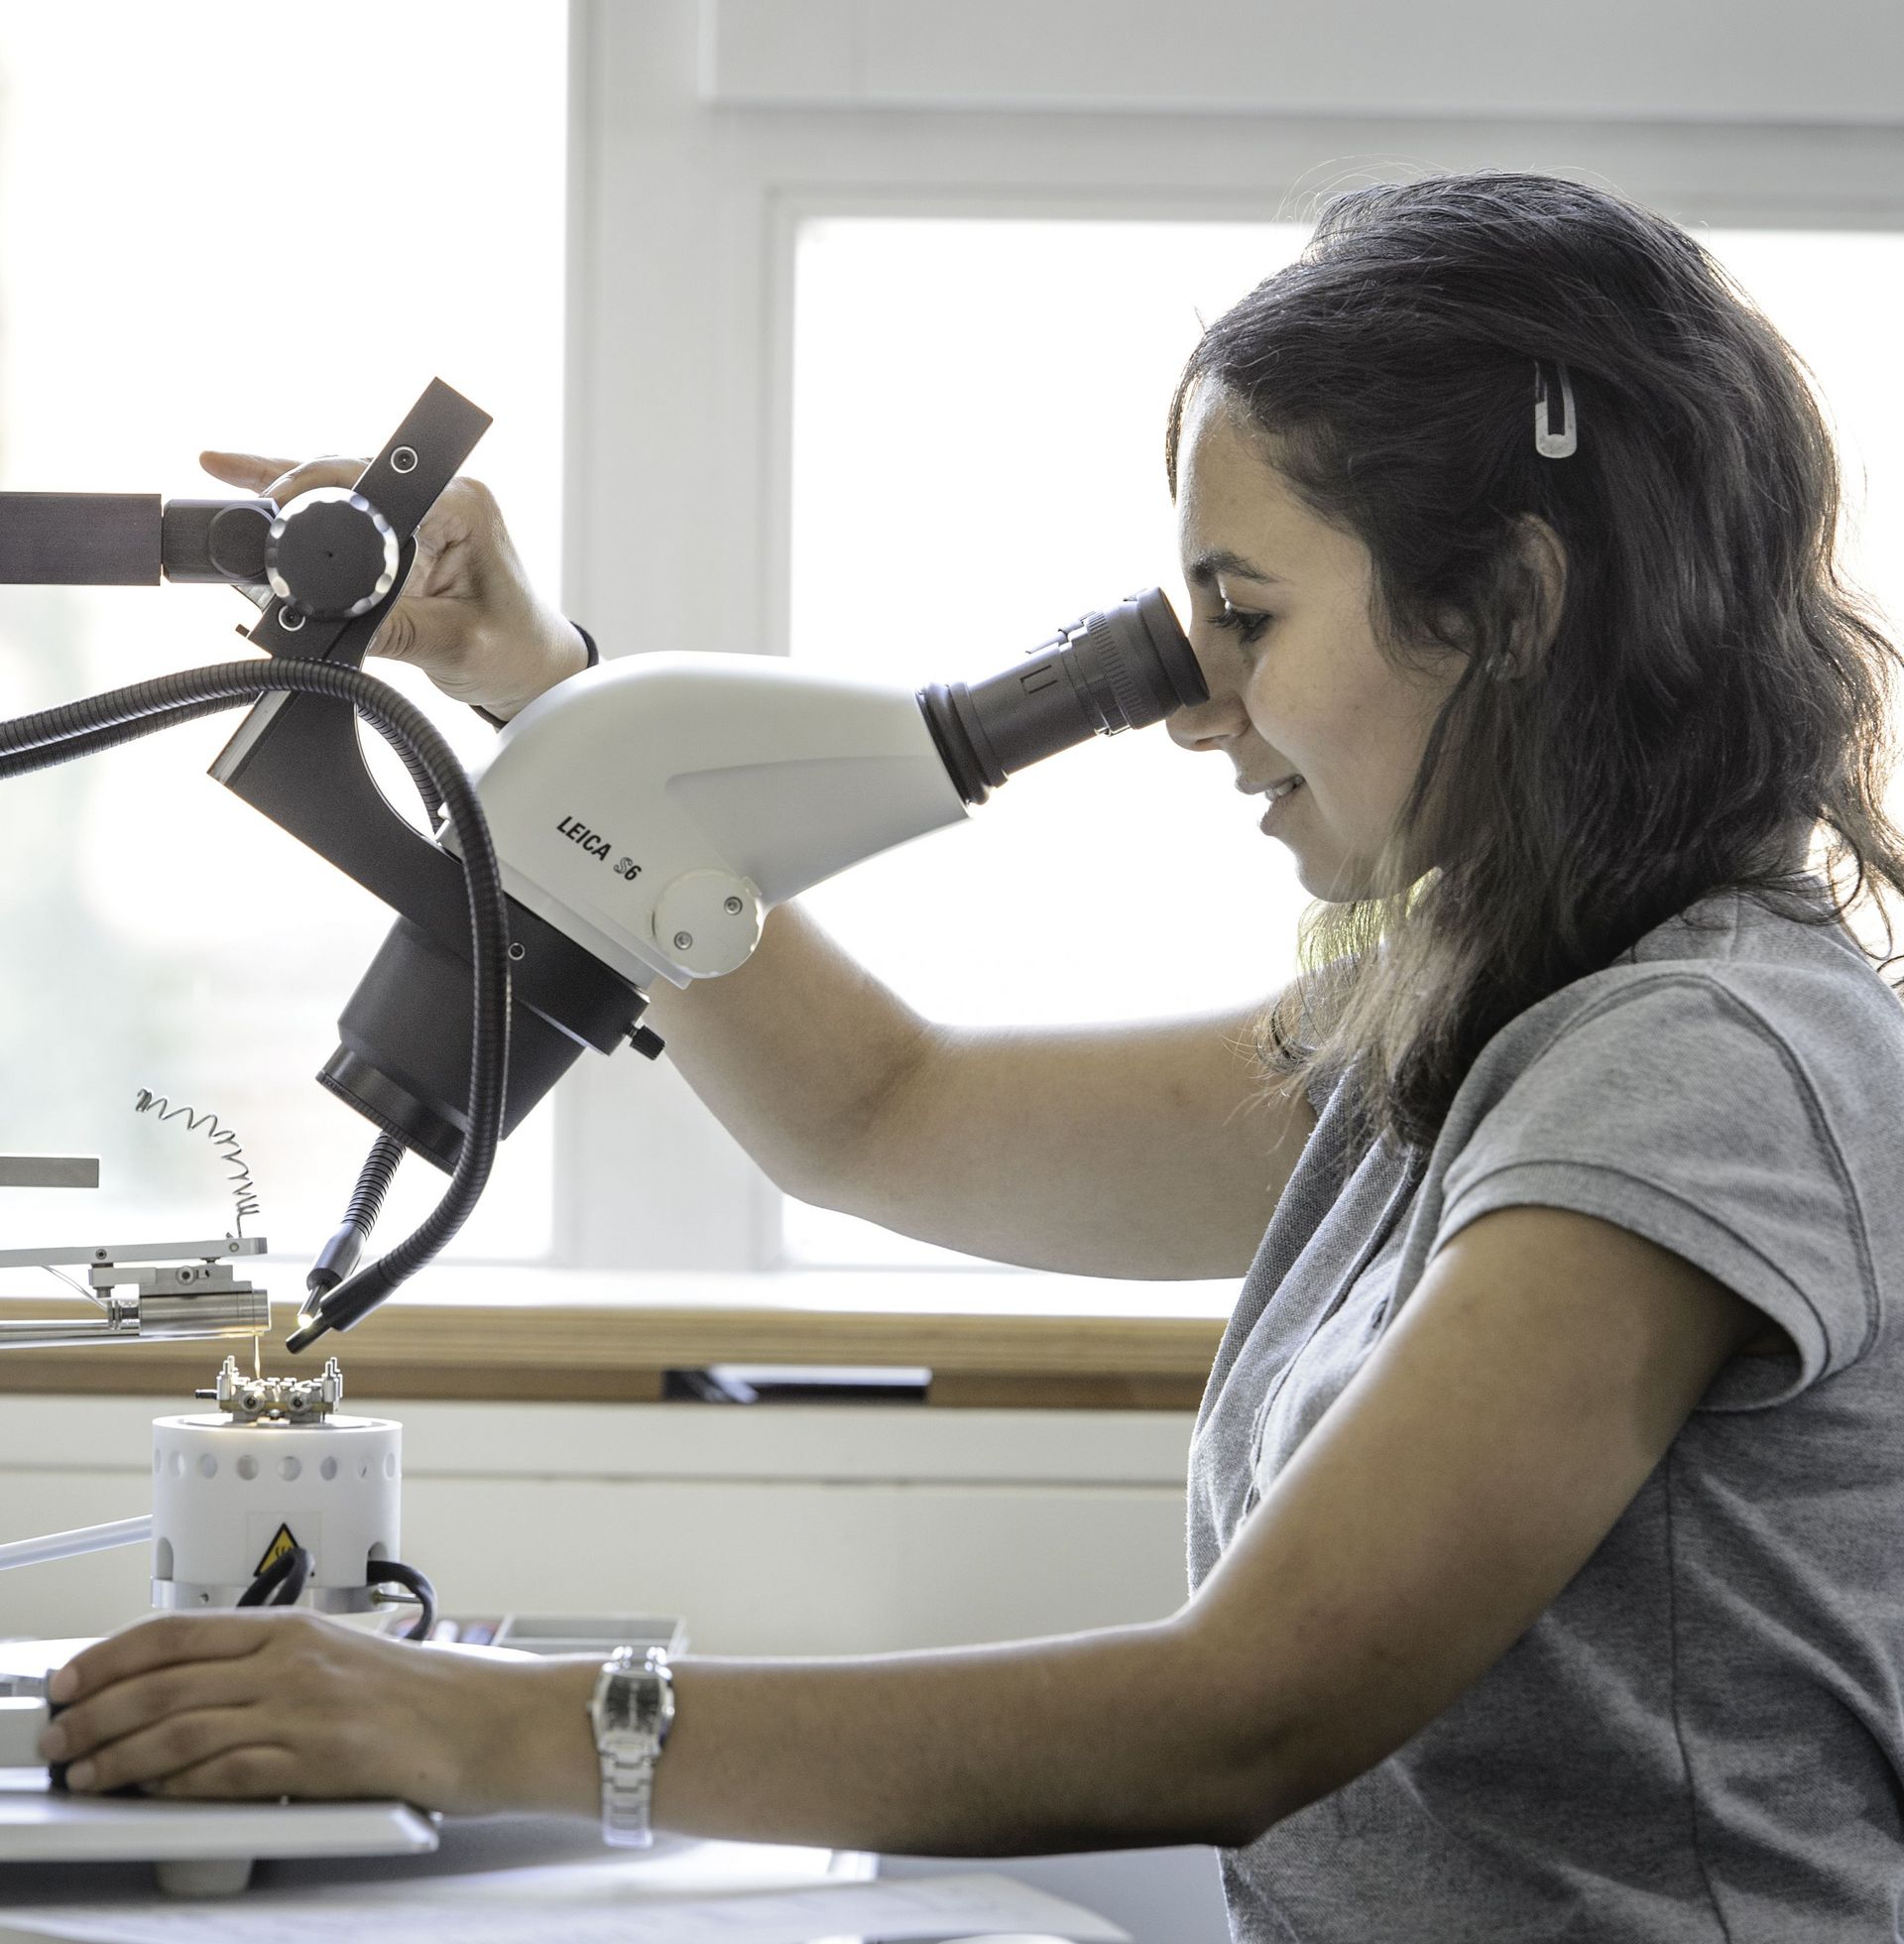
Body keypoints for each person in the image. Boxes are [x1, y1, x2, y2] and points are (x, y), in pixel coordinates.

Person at [36, 171, 1904, 1941]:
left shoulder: (1698, 1063)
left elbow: (1243, 1714)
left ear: (1507, 604)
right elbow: (882, 1114)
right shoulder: (1474, 1015)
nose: (1198, 710)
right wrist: (549, 702)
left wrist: (477, 1725)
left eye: (1244, 619)